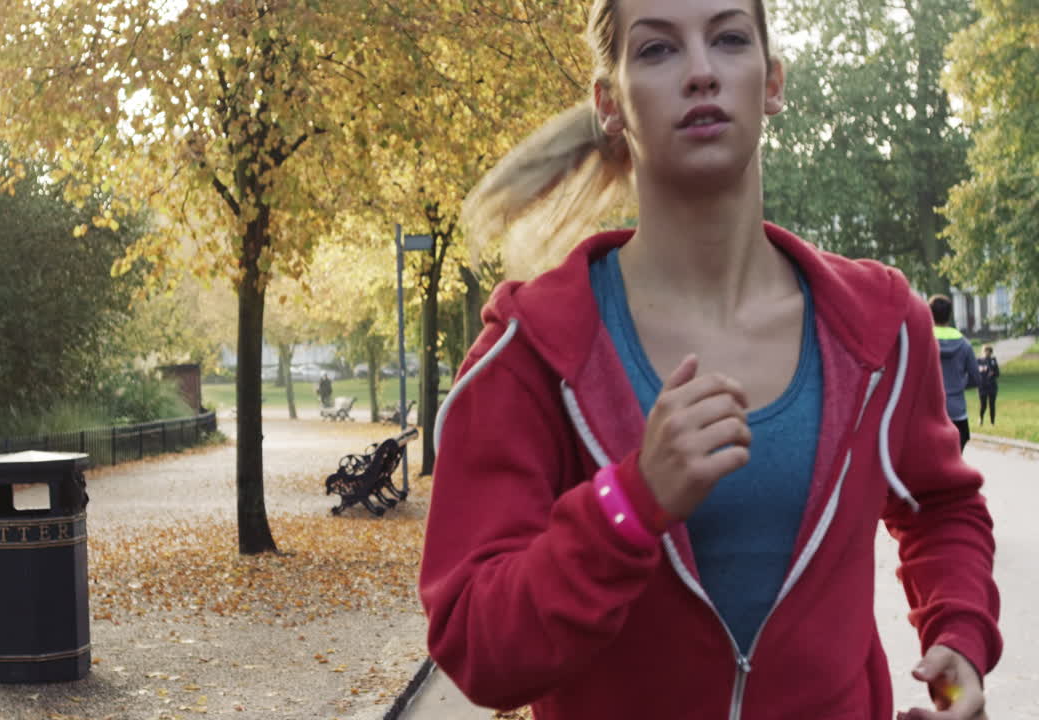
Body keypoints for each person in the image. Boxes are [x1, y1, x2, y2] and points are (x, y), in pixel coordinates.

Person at [419, 1, 1001, 719]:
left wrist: (959, 650)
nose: (701, 72)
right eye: (658, 50)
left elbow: (942, 508)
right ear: (610, 104)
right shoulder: (531, 351)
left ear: (773, 82)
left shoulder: (881, 326)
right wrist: (629, 503)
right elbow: (478, 648)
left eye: (728, 39)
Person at [929, 295, 981, 450]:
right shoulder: (964, 344)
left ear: (930, 314)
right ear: (950, 315)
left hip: (930, 411)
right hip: (957, 411)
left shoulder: (924, 341)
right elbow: (976, 378)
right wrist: (958, 385)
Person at [978, 345, 1000, 426]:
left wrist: (993, 373)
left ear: (991, 352)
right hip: (982, 386)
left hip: (992, 386)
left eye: (989, 351)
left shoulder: (993, 361)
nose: (987, 353)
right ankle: (981, 419)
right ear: (983, 352)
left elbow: (998, 373)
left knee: (992, 405)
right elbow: (976, 373)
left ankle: (992, 422)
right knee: (983, 405)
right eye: (986, 351)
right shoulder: (978, 361)